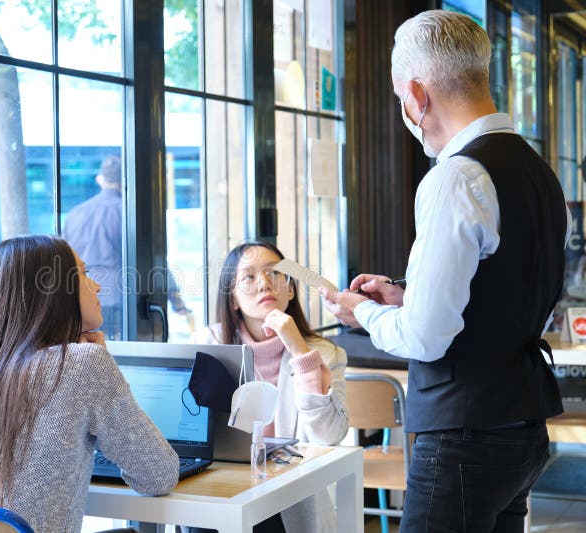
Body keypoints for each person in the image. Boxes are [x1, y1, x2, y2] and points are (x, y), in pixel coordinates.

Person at [322, 10, 569, 532]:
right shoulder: (540, 172)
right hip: (521, 427)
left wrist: (362, 310)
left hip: (464, 436)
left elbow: (427, 338)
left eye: (398, 100)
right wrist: (404, 293)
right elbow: (502, 290)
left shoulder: (456, 177)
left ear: (417, 94)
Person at [0, 235, 179, 533]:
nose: (97, 286)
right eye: (84, 274)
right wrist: (98, 360)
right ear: (52, 290)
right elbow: (158, 475)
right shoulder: (83, 364)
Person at [188, 241, 349, 533]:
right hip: (221, 492)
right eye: (248, 277)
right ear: (233, 298)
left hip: (292, 498)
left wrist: (299, 350)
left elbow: (329, 436)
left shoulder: (324, 354)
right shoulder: (206, 346)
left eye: (275, 273)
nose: (264, 284)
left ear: (290, 289)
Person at [64, 155, 193, 339]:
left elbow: (64, 263)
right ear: (124, 180)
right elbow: (155, 261)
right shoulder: (131, 215)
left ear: (100, 180)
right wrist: (177, 304)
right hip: (122, 302)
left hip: (84, 302)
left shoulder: (75, 214)